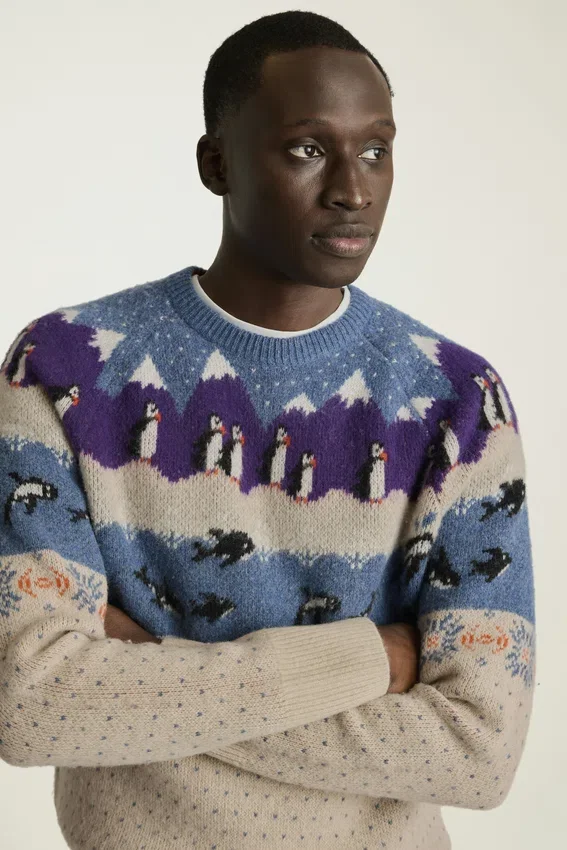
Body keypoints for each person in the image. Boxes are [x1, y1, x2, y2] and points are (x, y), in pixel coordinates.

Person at [0, 10, 535, 850]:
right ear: (215, 163)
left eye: (376, 150)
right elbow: (31, 705)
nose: (352, 189)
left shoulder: (457, 399)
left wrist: (144, 682)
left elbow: (476, 753)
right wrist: (367, 662)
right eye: (307, 148)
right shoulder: (66, 367)